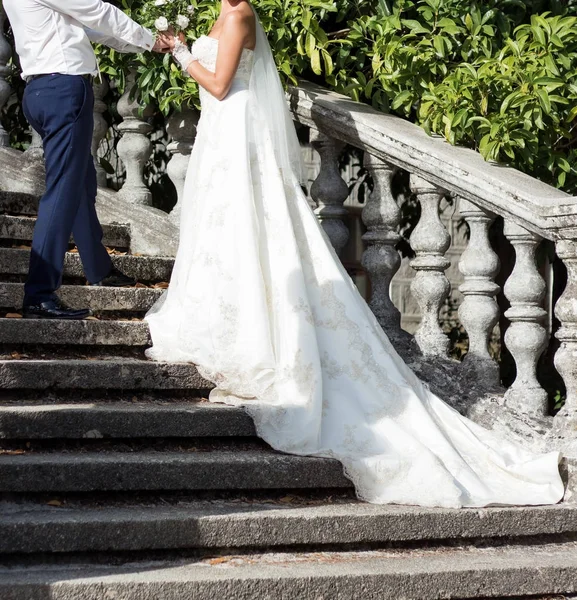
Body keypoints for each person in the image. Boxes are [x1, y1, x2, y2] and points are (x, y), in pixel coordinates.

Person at [145, 0, 565, 508]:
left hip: (233, 128)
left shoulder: (238, 15)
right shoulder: (220, 11)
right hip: (223, 130)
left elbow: (215, 83)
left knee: (249, 226)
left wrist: (180, 51)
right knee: (224, 230)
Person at [3, 0, 168, 320]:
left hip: (40, 90)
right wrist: (148, 38)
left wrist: (142, 43)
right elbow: (96, 9)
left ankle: (97, 267)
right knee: (62, 192)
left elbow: (85, 26)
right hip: (63, 87)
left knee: (80, 183)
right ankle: (39, 294)